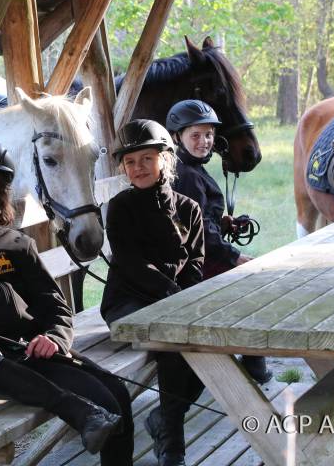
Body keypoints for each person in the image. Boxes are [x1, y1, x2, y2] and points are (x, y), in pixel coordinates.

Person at [0, 137, 133, 464]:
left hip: (32, 352)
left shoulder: (18, 244)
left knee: (114, 395)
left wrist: (53, 338)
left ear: (0, 194)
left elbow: (55, 305)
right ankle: (76, 411)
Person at [99, 119, 205, 466]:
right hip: (128, 301)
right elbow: (130, 263)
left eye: (147, 158)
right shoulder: (121, 207)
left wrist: (183, 295)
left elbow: (196, 263)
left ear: (166, 160)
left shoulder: (189, 208)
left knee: (213, 346)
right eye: (130, 162)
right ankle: (173, 444)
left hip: (175, 300)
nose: (138, 167)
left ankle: (163, 418)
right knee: (171, 342)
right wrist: (172, 294)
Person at [165, 99, 272, 385]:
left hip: (201, 253)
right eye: (196, 135)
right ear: (177, 137)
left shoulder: (192, 168)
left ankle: (252, 363)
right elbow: (199, 233)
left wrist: (224, 223)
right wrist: (234, 256)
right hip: (192, 264)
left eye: (209, 135)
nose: (204, 142)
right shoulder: (186, 175)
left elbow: (200, 218)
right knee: (250, 282)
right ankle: (253, 365)